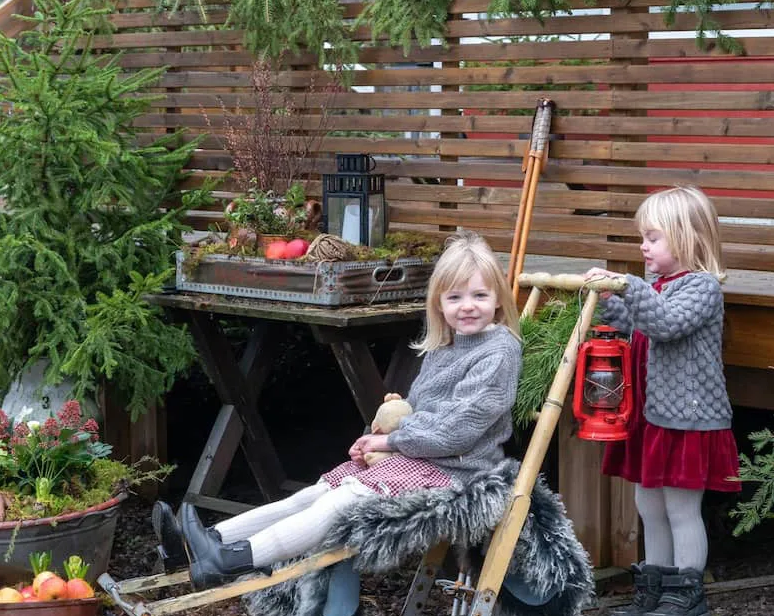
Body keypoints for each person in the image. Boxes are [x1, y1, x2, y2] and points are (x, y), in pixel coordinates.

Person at [153, 231, 524, 590]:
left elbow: (457, 430)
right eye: (455, 297)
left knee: (344, 501)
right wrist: (381, 436)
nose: (468, 306)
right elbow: (421, 412)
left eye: (479, 295)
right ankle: (203, 542)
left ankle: (231, 560)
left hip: (461, 472)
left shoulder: (498, 351)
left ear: (498, 299)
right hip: (423, 459)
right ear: (438, 303)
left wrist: (391, 442)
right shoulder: (445, 346)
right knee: (317, 493)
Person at [583, 185, 740, 616]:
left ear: (686, 239)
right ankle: (653, 590)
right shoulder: (659, 287)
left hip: (687, 419)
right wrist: (612, 303)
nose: (643, 246)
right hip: (654, 416)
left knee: (680, 508)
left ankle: (686, 596)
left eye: (652, 238)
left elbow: (667, 324)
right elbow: (641, 325)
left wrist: (629, 285)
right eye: (643, 238)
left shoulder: (702, 288)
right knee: (648, 504)